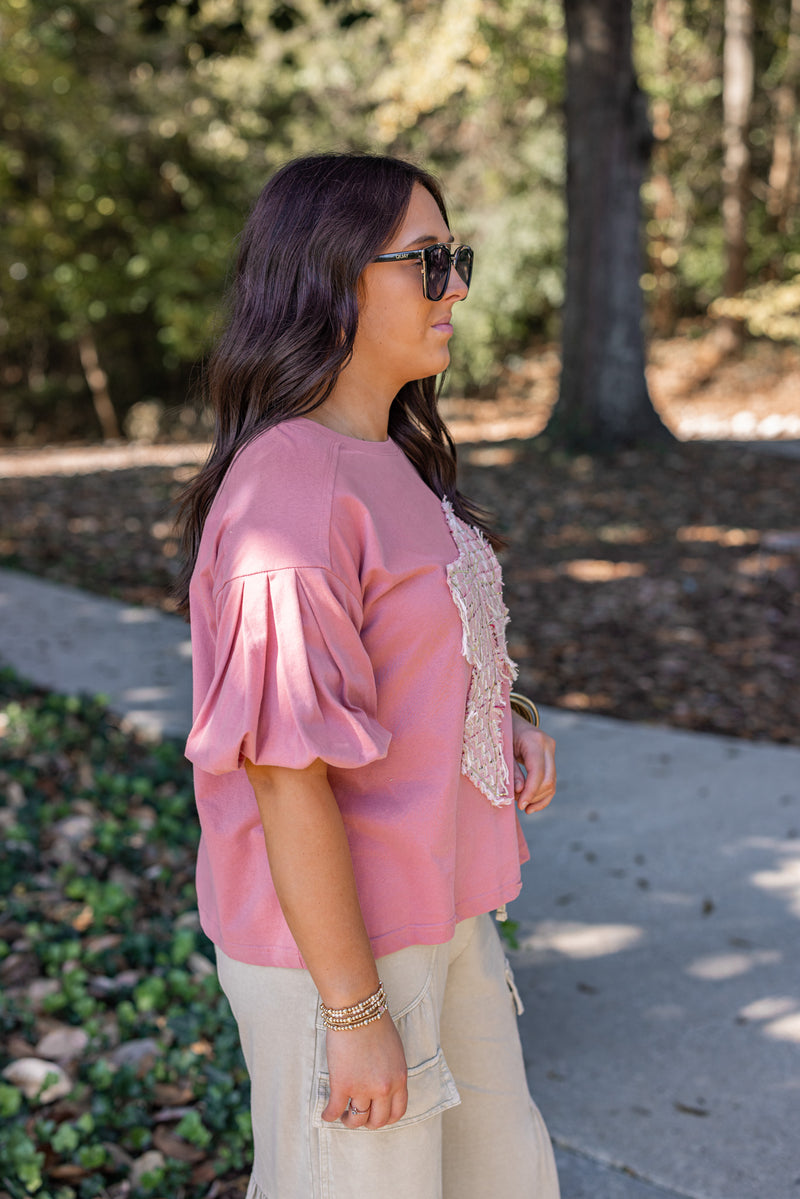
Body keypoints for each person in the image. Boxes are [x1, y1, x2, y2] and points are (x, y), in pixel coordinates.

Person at [175, 152, 560, 1199]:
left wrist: (505, 713)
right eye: (427, 262)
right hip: (342, 957)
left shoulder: (385, 453)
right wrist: (351, 1014)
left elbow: (418, 648)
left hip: (441, 918)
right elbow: (284, 770)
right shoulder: (288, 496)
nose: (457, 288)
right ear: (331, 276)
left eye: (454, 259)